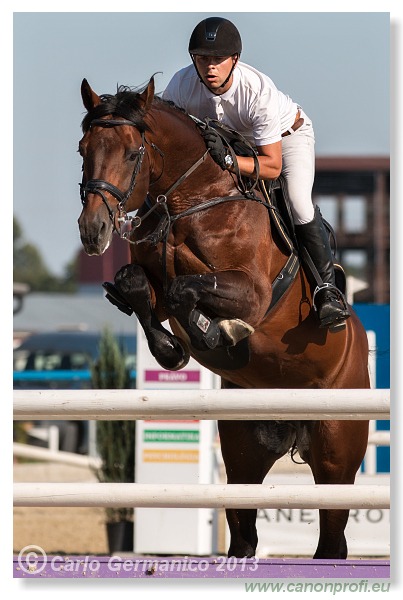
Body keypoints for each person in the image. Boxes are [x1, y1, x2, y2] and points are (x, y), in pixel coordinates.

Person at [162, 16, 349, 328]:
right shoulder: (181, 85)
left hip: (287, 140)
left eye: (218, 60)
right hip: (234, 145)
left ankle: (326, 290)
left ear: (234, 60)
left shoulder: (256, 91)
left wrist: (232, 162)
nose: (210, 67)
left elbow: (272, 165)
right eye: (203, 59)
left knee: (297, 200)